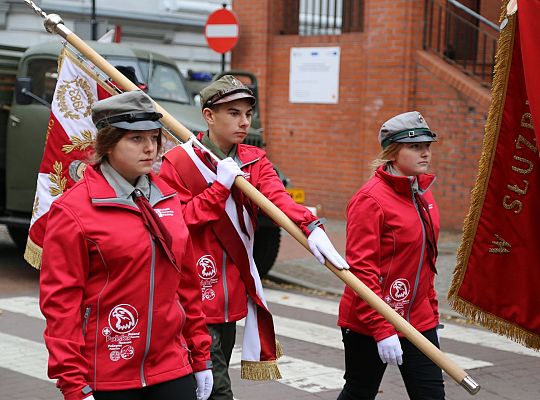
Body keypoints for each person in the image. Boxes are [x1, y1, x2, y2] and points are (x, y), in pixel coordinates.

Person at [159, 75, 349, 400]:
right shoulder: (178, 162)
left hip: (231, 290)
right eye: (233, 113)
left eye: (248, 114)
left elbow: (278, 199)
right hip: (191, 291)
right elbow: (178, 222)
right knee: (217, 390)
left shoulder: (253, 159)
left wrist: (309, 225)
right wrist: (219, 187)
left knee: (204, 386)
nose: (244, 122)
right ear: (208, 115)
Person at [39, 91, 213, 400]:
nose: (150, 148)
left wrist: (200, 355)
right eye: (135, 138)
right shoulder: (74, 210)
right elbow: (61, 304)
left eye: (154, 137)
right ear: (108, 143)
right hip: (107, 374)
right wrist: (73, 383)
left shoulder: (169, 199)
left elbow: (186, 285)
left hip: (172, 366)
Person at [337, 111, 445, 399]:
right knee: (360, 391)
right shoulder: (369, 200)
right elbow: (361, 272)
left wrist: (432, 315)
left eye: (427, 146)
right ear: (393, 152)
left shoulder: (422, 192)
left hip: (418, 318)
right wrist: (383, 329)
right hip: (371, 319)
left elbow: (425, 262)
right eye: (415, 147)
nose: (425, 153)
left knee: (431, 393)